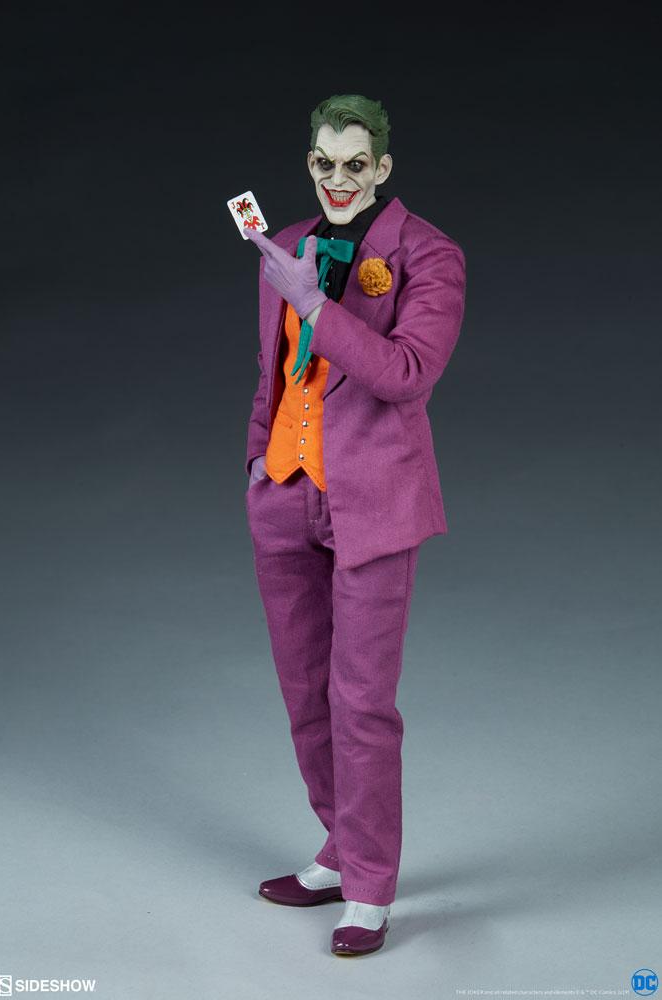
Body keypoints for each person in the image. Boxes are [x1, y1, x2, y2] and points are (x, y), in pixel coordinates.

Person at [242, 94, 467, 956]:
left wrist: (317, 306)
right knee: (304, 693)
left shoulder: (427, 252)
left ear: (382, 168)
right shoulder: (287, 243)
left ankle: (369, 886)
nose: (337, 178)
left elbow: (407, 372)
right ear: (309, 164)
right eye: (323, 162)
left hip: (372, 499)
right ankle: (339, 848)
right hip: (285, 490)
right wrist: (257, 457)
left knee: (361, 703)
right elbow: (270, 369)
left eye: (354, 164)